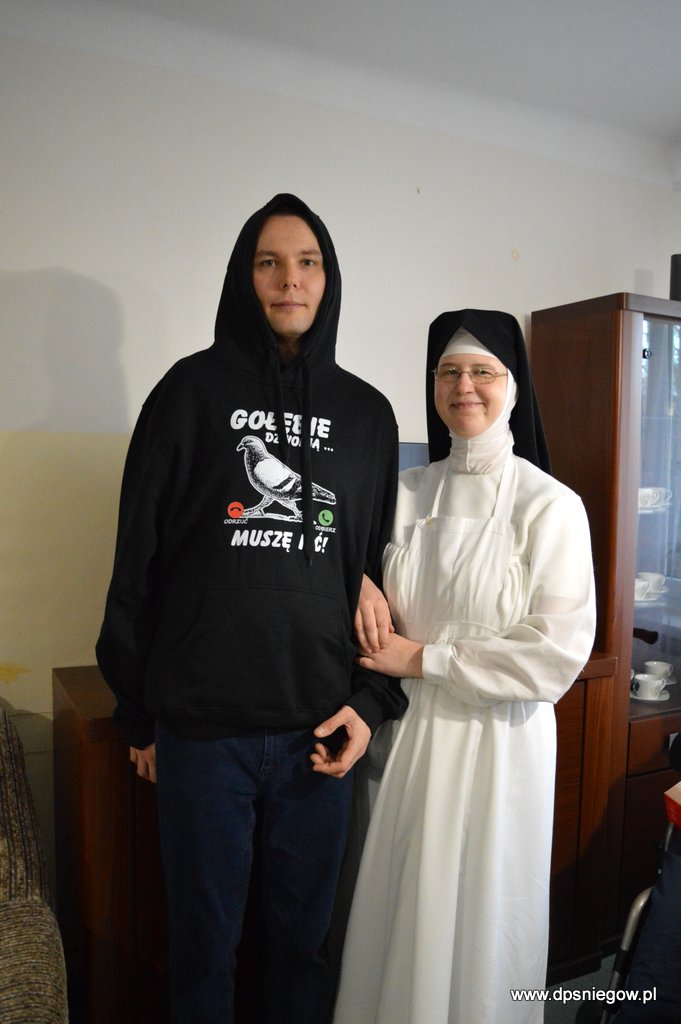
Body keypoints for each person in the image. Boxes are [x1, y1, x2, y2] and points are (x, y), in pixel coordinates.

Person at [96, 193, 406, 1024]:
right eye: (268, 262)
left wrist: (371, 701)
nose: (288, 280)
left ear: (328, 279)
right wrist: (139, 715)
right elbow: (137, 560)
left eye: (307, 263)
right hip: (202, 738)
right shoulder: (186, 393)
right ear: (244, 275)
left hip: (318, 732)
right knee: (203, 951)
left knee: (301, 950)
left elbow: (376, 576)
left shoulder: (368, 416)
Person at [333, 309, 596, 1024]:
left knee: (484, 911)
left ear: (514, 386)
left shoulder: (550, 505)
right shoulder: (402, 493)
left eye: (483, 371)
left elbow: (554, 654)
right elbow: (352, 585)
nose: (464, 386)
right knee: (396, 906)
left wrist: (424, 657)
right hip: (402, 735)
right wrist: (357, 582)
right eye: (448, 371)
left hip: (496, 743)